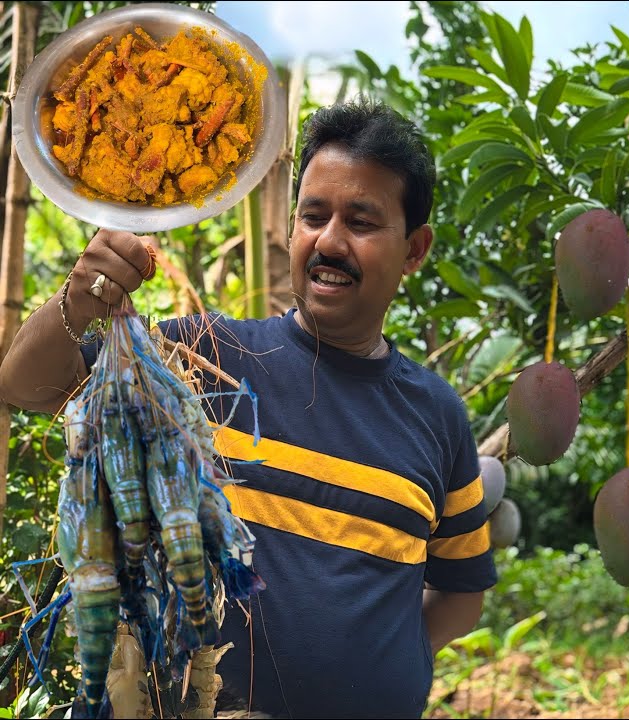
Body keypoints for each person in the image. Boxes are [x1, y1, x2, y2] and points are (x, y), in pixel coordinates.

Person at [0, 100, 496, 718]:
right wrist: (79, 298)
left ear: (414, 249)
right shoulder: (198, 359)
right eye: (313, 216)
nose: (330, 241)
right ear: (292, 228)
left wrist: (388, 667)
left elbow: (461, 592)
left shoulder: (437, 415)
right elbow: (27, 386)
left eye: (362, 222)